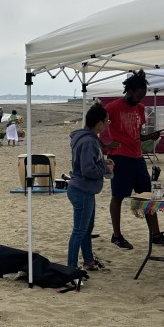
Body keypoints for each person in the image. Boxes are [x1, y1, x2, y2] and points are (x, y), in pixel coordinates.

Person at [104, 71, 164, 250]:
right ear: (130, 90)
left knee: (147, 196)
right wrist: (104, 146)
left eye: (143, 96)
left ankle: (156, 235)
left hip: (137, 157)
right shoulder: (112, 107)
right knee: (118, 196)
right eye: (139, 95)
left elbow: (136, 136)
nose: (140, 99)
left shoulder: (140, 108)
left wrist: (150, 137)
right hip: (119, 157)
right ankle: (116, 236)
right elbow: (91, 127)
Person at [67, 104, 115, 271]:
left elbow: (87, 163)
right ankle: (71, 268)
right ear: (98, 123)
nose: (107, 124)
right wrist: (106, 169)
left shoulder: (87, 138)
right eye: (106, 121)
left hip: (84, 190)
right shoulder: (88, 140)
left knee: (87, 229)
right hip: (82, 190)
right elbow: (88, 170)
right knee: (79, 231)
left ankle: (88, 261)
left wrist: (101, 162)